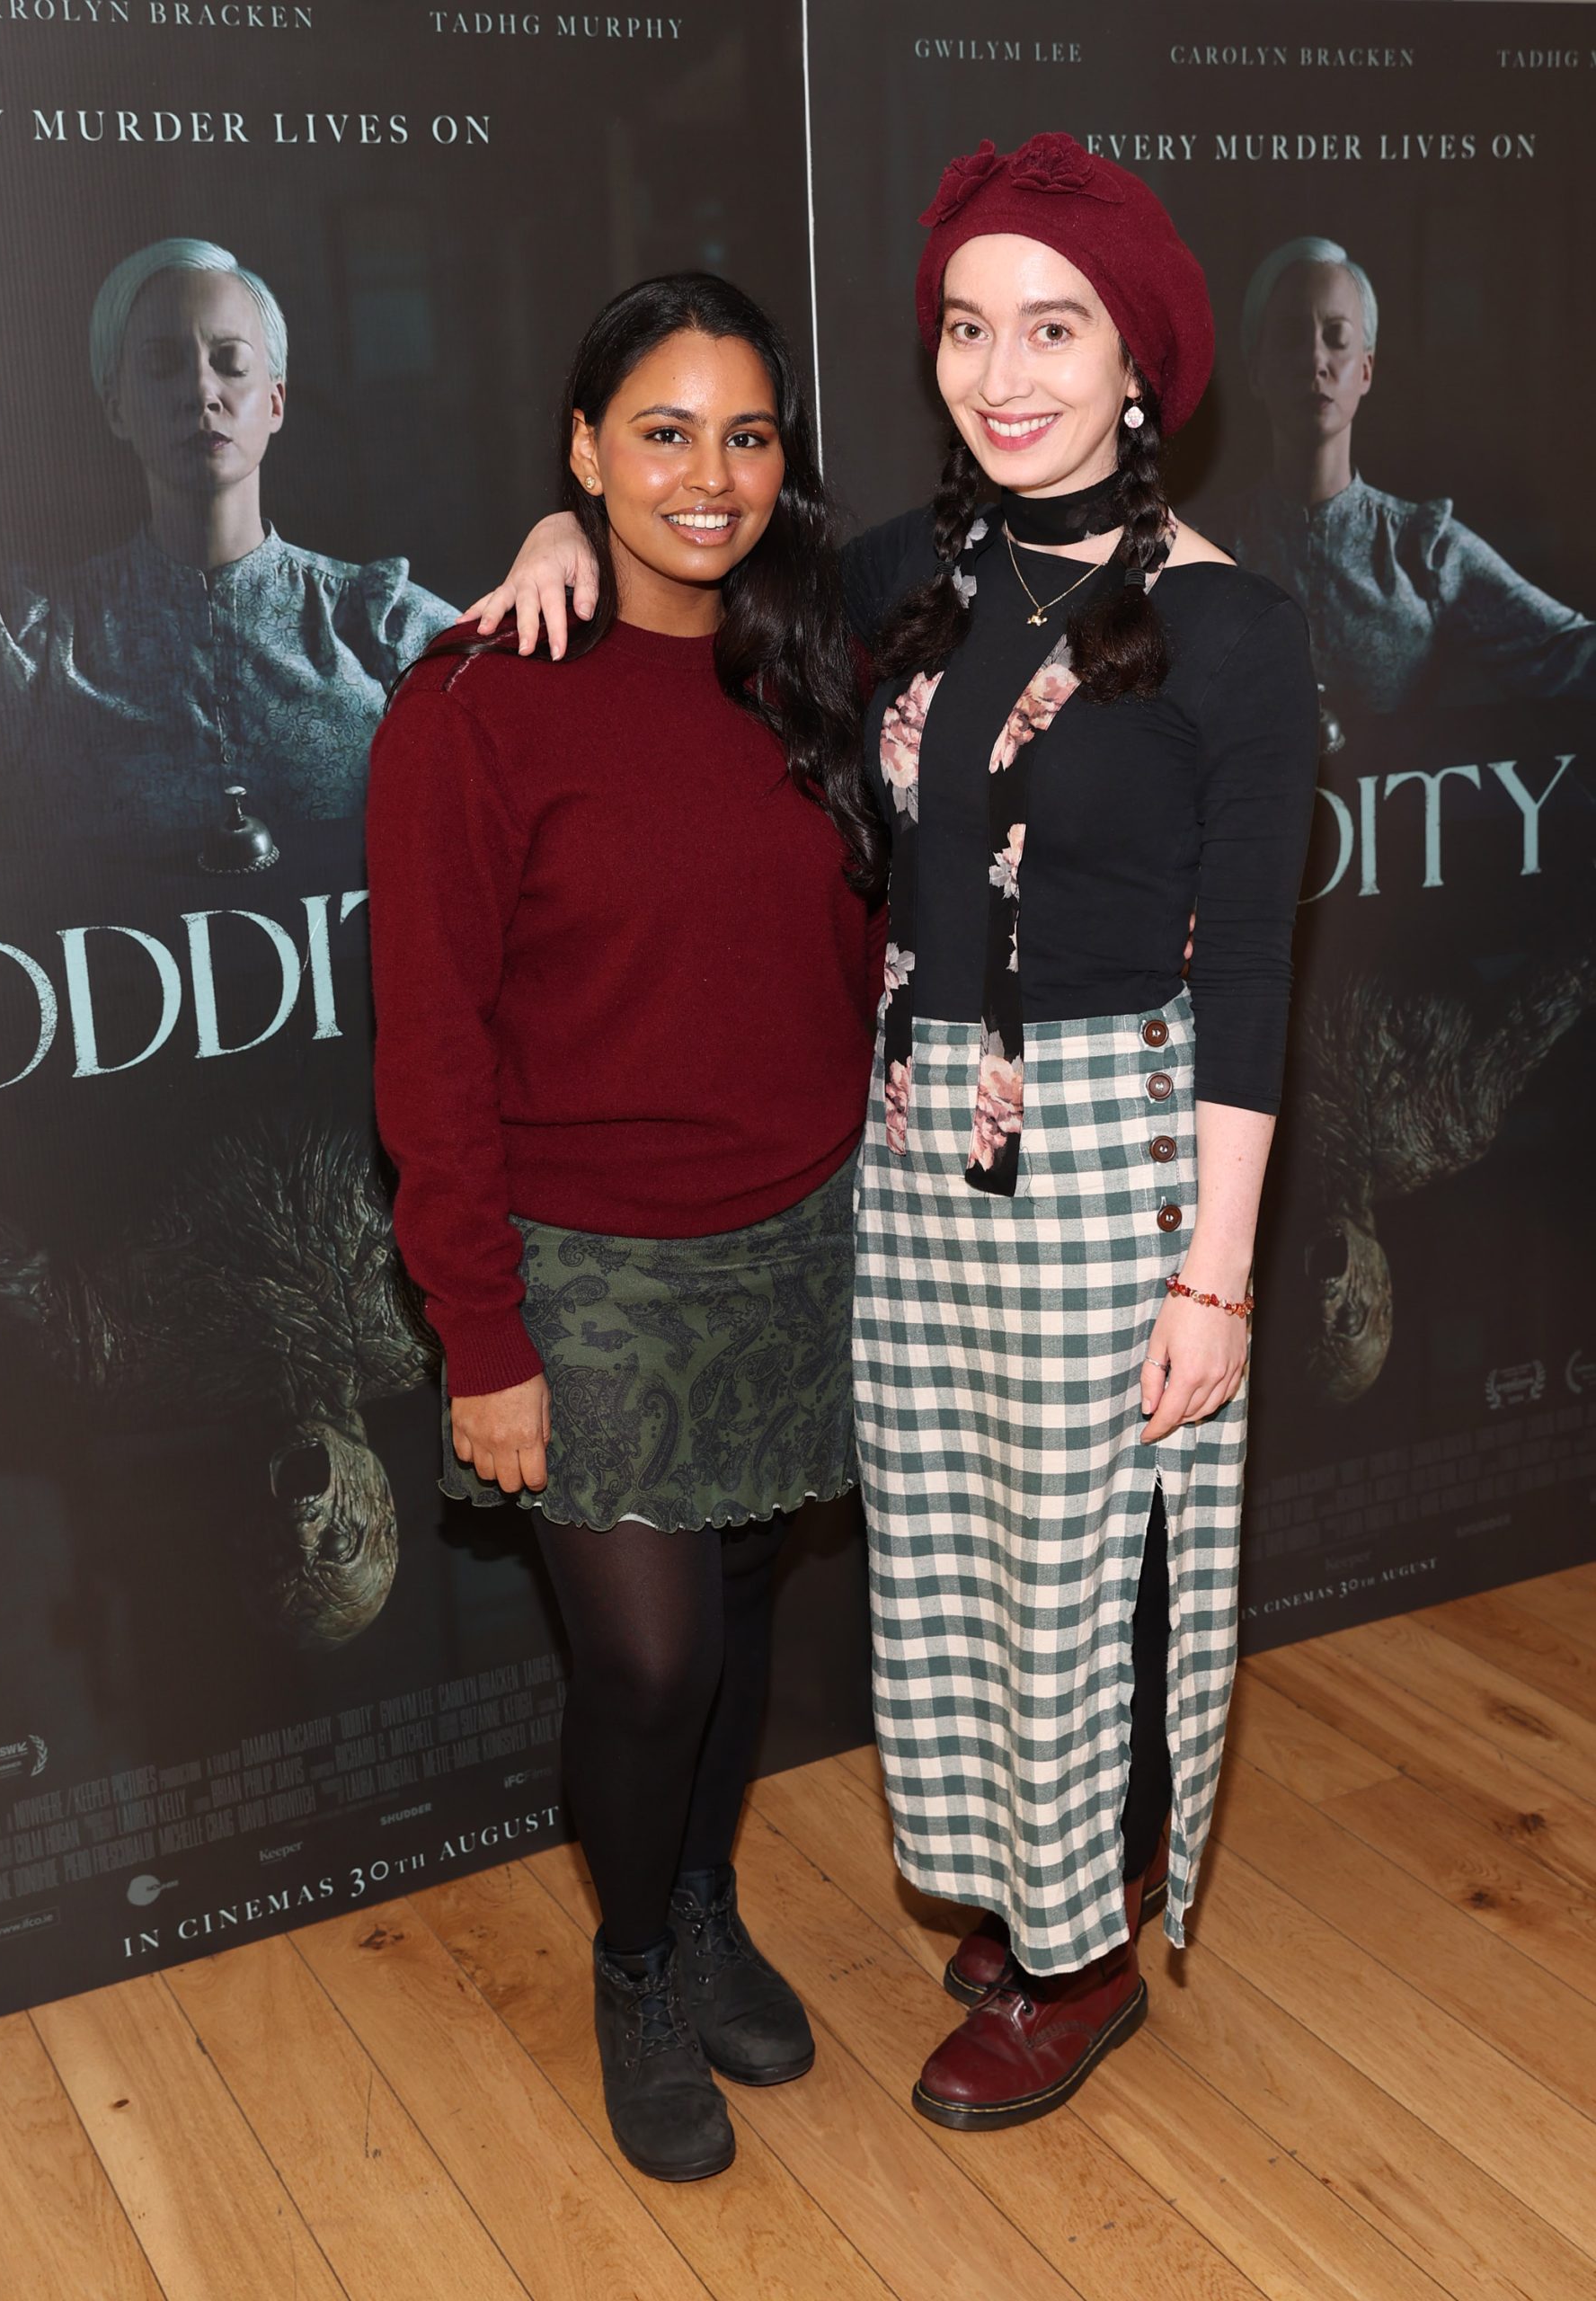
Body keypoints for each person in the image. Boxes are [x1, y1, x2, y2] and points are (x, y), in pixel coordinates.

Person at [472, 132, 1320, 2133]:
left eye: (1054, 328)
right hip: (912, 1144)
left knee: (1092, 1566)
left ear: (1141, 363)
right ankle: (1030, 1889)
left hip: (1116, 1157)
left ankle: (1081, 1957)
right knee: (955, 1553)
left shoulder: (1236, 630)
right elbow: (686, 545)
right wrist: (556, 532)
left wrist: (1215, 1273)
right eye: (964, 327)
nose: (1001, 372)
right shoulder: (897, 581)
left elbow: (1254, 981)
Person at [366, 273, 883, 2183]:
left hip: (800, 1233)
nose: (707, 476)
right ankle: (635, 1966)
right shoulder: (469, 703)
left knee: (736, 1612)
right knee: (651, 1662)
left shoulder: (814, 663)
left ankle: (703, 1902)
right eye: (661, 433)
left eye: (745, 436)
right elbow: (429, 1048)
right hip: (579, 1258)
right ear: (582, 448)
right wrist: (481, 1334)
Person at [0, 236, 455, 870]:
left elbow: (535, 765)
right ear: (116, 407)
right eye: (162, 364)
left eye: (231, 362)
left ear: (275, 401)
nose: (202, 390)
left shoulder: (380, 626)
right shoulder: (39, 643)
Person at [1226, 234, 1596, 735]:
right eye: (1292, 336)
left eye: (1336, 337)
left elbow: (1569, 651)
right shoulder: (1205, 550)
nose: (1316, 360)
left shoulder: (1425, 551)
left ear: (1365, 370)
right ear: (1255, 370)